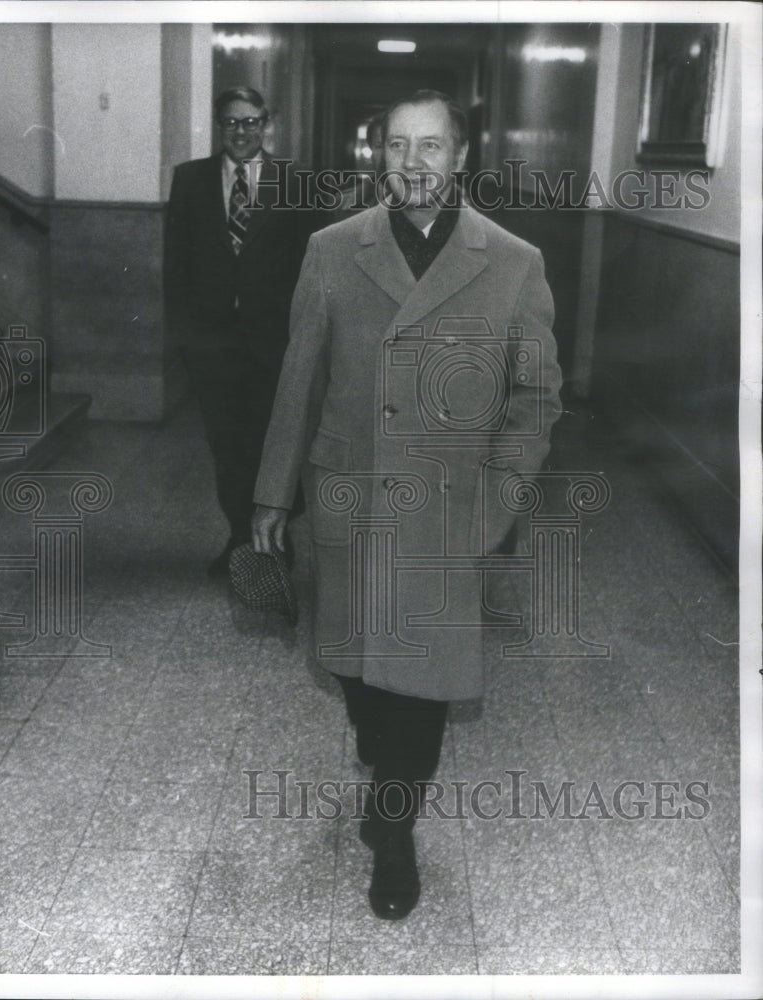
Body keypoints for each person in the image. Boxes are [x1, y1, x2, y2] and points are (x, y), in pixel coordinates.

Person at [252, 90, 563, 919]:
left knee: (419, 694)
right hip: (350, 500)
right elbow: (299, 378)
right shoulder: (331, 250)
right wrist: (273, 492)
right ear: (377, 155)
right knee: (358, 677)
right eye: (397, 146)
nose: (413, 164)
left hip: (445, 516)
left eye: (431, 147)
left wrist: (497, 503)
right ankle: (380, 769)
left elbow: (535, 399)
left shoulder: (510, 261)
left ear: (461, 157)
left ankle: (393, 837)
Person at [164, 86, 311, 576]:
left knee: (272, 443)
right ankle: (237, 539)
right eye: (232, 122)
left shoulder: (295, 181)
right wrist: (184, 337)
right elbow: (175, 266)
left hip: (275, 344)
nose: (242, 131)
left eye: (251, 122)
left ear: (265, 124)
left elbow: (309, 268)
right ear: (219, 125)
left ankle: (275, 537)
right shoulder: (190, 180)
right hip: (213, 344)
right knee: (226, 445)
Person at [336, 112, 385, 217]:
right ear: (370, 149)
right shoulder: (345, 201)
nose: (386, 155)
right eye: (379, 146)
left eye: (396, 145)